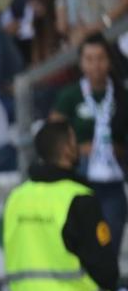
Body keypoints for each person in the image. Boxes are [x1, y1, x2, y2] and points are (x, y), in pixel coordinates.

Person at [4, 121, 119, 291]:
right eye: (74, 141)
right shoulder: (79, 198)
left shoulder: (15, 198)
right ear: (67, 149)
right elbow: (106, 272)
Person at [50, 34, 128, 255]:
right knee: (80, 245)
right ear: (81, 62)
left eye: (101, 58)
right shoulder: (70, 95)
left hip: (112, 180)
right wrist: (78, 150)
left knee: (109, 246)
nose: (95, 65)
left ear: (110, 61)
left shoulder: (122, 95)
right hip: (80, 180)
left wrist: (119, 149)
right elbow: (53, 136)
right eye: (89, 58)